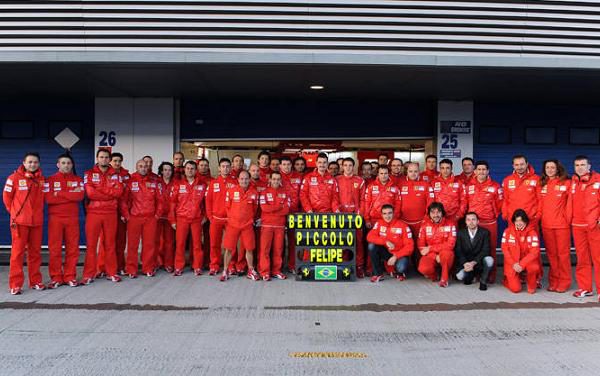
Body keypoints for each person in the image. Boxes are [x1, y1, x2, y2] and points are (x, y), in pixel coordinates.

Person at [3, 152, 46, 294]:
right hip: (20, 223)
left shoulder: (42, 180)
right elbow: (7, 198)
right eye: (30, 162)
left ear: (39, 164)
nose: (32, 164)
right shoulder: (13, 178)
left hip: (36, 223)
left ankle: (35, 281)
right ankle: (15, 284)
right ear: (24, 162)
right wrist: (15, 214)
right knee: (17, 254)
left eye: (35, 162)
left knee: (35, 253)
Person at [82, 149, 124, 284]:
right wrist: (108, 194)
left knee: (110, 244)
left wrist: (99, 189)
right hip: (94, 213)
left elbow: (118, 192)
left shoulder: (116, 175)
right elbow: (90, 194)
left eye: (106, 157)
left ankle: (111, 272)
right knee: (91, 245)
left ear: (109, 159)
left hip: (110, 213)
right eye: (101, 157)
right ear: (97, 158)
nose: (104, 159)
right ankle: (89, 274)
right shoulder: (88, 174)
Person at [45, 154, 84, 289]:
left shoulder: (78, 179)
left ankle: (70, 276)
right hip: (55, 219)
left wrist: (60, 193)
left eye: (68, 163)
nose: (66, 165)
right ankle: (56, 277)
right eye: (63, 163)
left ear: (72, 165)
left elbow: (79, 196)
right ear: (58, 164)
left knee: (72, 249)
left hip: (72, 219)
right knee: (55, 249)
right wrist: (70, 194)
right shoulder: (49, 180)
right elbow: (49, 199)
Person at [120, 159, 162, 278]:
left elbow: (160, 200)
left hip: (150, 218)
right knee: (132, 245)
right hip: (134, 218)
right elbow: (123, 201)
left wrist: (157, 215)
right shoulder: (130, 181)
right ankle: (131, 269)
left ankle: (148, 268)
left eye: (145, 166)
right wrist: (127, 215)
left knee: (149, 245)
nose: (143, 168)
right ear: (136, 167)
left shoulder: (154, 182)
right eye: (141, 166)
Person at [465, 161, 503, 283]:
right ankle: (476, 273)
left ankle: (491, 274)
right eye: (479, 169)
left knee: (490, 249)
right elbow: (465, 204)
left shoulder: (495, 186)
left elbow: (500, 204)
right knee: (473, 249)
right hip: (473, 224)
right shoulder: (468, 185)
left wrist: (493, 215)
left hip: (490, 223)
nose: (481, 172)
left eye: (484, 169)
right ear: (475, 171)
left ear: (488, 171)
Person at [169, 160, 208, 276]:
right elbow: (172, 203)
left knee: (197, 244)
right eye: (188, 168)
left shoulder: (202, 185)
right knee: (180, 244)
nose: (190, 170)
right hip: (182, 218)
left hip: (196, 219)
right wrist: (172, 220)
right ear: (184, 170)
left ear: (196, 171)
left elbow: (206, 203)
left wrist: (205, 216)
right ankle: (178, 267)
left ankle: (197, 266)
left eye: (192, 169)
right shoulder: (177, 185)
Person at [539, 159, 572, 293]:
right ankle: (554, 281)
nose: (550, 170)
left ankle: (564, 282)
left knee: (563, 255)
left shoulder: (567, 183)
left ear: (558, 169)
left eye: (553, 167)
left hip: (562, 226)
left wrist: (567, 220)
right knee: (552, 255)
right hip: (547, 225)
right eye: (547, 167)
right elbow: (540, 206)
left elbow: (571, 205)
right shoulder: (543, 184)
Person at [570, 155, 600, 299]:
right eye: (577, 165)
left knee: (598, 258)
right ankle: (585, 288)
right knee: (582, 259)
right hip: (577, 226)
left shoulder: (598, 180)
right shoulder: (573, 182)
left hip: (594, 226)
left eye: (582, 164)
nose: (580, 167)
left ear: (589, 166)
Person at [221, 170, 259, 282]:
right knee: (228, 248)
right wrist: (233, 219)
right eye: (242, 178)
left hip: (247, 225)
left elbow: (255, 208)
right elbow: (227, 207)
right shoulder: (231, 191)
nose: (244, 181)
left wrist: (249, 219)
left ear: (249, 179)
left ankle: (251, 270)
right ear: (238, 179)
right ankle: (225, 270)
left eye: (246, 178)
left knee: (249, 248)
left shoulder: (254, 192)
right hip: (233, 225)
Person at [97, 152, 129, 276]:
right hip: (108, 211)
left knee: (120, 241)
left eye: (119, 161)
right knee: (105, 241)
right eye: (114, 161)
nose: (116, 163)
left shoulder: (126, 176)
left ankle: (120, 266)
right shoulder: (104, 175)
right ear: (110, 161)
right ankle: (102, 267)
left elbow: (128, 195)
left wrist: (125, 212)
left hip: (121, 213)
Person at [205, 158, 238, 274]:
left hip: (230, 219)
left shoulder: (235, 183)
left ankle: (231, 265)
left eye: (228, 166)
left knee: (231, 244)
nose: (225, 168)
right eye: (223, 166)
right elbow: (208, 201)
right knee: (214, 243)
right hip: (216, 219)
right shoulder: (213, 183)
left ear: (231, 168)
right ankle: (214, 265)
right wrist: (210, 216)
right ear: (219, 168)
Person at [366, 204, 413, 283]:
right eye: (384, 213)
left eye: (389, 213)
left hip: (399, 255)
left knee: (401, 267)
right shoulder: (379, 223)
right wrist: (385, 241)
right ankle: (378, 274)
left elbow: (410, 247)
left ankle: (400, 273)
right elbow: (369, 237)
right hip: (387, 254)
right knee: (371, 246)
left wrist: (396, 256)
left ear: (393, 213)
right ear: (381, 215)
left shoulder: (403, 226)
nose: (387, 216)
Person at [336, 157, 367, 277]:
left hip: (355, 216)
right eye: (346, 165)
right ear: (342, 167)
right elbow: (333, 197)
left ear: (353, 167)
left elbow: (363, 199)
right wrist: (337, 211)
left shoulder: (360, 181)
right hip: (341, 217)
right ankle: (343, 265)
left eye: (350, 165)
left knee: (358, 242)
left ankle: (359, 266)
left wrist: (359, 214)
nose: (348, 167)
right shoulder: (336, 180)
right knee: (342, 241)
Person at [258, 171, 291, 281]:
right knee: (265, 250)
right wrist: (279, 207)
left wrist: (274, 209)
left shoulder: (285, 192)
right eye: (274, 179)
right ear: (270, 180)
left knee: (278, 249)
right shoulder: (264, 192)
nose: (276, 181)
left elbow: (286, 210)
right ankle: (264, 272)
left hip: (280, 226)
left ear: (280, 180)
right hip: (266, 225)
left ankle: (276, 271)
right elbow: (264, 208)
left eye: (278, 179)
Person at [501, 209, 541, 294]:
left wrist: (522, 264)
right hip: (512, 263)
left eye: (521, 221)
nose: (519, 223)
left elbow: (534, 252)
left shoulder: (532, 232)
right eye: (517, 221)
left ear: (525, 221)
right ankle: (507, 280)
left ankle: (531, 284)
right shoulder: (507, 232)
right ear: (513, 221)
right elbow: (505, 249)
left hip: (526, 262)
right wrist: (513, 264)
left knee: (534, 267)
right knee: (516, 289)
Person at [417, 202, 456, 287]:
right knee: (423, 268)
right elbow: (421, 247)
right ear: (429, 214)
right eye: (433, 212)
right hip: (431, 255)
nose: (436, 215)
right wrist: (434, 256)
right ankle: (435, 276)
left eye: (438, 212)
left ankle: (444, 279)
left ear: (442, 212)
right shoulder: (424, 225)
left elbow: (450, 245)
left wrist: (430, 248)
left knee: (446, 254)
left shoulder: (450, 224)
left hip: (445, 253)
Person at [454, 212, 494, 291]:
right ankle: (471, 276)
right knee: (460, 276)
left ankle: (483, 280)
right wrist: (465, 263)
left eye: (473, 219)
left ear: (478, 221)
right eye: (468, 220)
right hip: (466, 264)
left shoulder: (485, 232)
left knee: (490, 260)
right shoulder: (461, 233)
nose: (471, 222)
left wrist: (474, 262)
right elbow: (458, 251)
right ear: (465, 222)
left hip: (478, 262)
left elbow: (486, 250)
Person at [398, 162, 434, 244]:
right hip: (404, 221)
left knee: (420, 244)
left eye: (415, 171)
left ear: (419, 172)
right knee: (406, 244)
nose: (413, 174)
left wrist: (427, 216)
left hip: (421, 221)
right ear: (407, 172)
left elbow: (430, 202)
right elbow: (396, 202)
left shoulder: (426, 184)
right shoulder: (400, 185)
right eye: (410, 171)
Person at [279, 156, 303, 273]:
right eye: (284, 164)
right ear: (280, 166)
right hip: (280, 215)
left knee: (294, 241)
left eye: (288, 164)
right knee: (279, 242)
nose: (286, 166)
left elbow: (302, 195)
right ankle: (278, 266)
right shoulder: (276, 178)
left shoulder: (299, 177)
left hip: (295, 214)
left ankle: (292, 265)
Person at [502, 155, 540, 225]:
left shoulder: (536, 179)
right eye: (516, 165)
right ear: (513, 166)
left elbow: (540, 199)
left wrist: (537, 215)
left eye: (522, 164)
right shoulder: (507, 180)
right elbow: (505, 199)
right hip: (513, 218)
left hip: (531, 219)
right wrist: (505, 213)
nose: (519, 167)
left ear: (527, 164)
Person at [431, 159, 467, 223]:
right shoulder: (433, 182)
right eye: (443, 168)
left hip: (454, 218)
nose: (445, 171)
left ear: (451, 168)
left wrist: (458, 215)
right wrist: (433, 215)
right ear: (440, 169)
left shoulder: (459, 182)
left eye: (447, 168)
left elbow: (464, 200)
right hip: (438, 218)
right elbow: (430, 200)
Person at [156, 161, 175, 272]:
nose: (167, 172)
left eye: (170, 170)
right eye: (165, 170)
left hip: (170, 217)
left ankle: (168, 263)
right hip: (158, 216)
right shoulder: (156, 182)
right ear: (161, 171)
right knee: (156, 241)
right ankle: (158, 262)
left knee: (169, 242)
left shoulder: (176, 183)